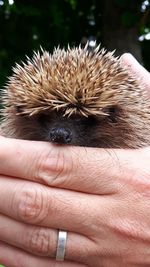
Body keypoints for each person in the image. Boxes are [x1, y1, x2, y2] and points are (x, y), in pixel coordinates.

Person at [0, 53, 150, 267]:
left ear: (115, 115)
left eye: (85, 121)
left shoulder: (132, 132)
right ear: (21, 113)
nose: (59, 133)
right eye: (45, 118)